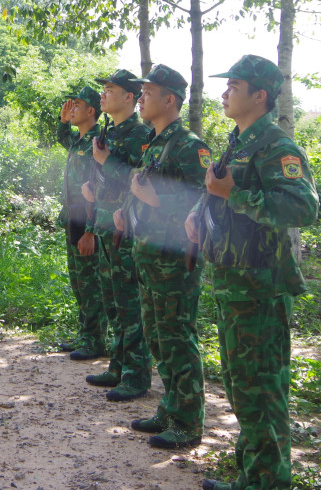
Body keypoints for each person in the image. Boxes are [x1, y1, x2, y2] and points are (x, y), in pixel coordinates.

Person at [186, 55, 319, 490]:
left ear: (259, 95)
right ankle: (254, 477)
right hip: (234, 283)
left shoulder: (276, 146)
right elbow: (220, 192)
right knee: (243, 387)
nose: (224, 93)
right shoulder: (240, 141)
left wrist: (234, 193)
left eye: (234, 86)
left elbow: (302, 207)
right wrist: (200, 209)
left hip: (260, 289)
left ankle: (268, 483)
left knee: (261, 391)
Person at [114, 64, 209, 450]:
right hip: (149, 255)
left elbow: (203, 199)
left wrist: (153, 199)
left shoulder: (190, 146)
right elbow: (139, 186)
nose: (142, 99)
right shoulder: (156, 142)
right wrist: (126, 209)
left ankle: (188, 421)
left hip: (174, 260)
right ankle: (170, 408)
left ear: (169, 100)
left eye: (148, 93)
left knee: (178, 337)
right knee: (157, 336)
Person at [79, 69, 154, 401]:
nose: (103, 94)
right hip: (106, 226)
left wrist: (106, 161)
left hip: (126, 230)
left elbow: (140, 183)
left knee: (129, 304)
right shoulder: (109, 131)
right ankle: (118, 365)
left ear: (130, 97)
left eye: (110, 89)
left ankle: (136, 375)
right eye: (103, 89)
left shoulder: (140, 135)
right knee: (112, 301)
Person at [55, 86, 109, 361]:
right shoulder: (79, 141)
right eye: (71, 105)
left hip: (87, 219)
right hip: (72, 217)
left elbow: (99, 191)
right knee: (79, 281)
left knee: (91, 283)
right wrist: (63, 122)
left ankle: (96, 340)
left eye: (78, 105)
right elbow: (63, 138)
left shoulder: (98, 143)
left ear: (92, 111)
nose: (73, 109)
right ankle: (85, 335)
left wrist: (91, 231)